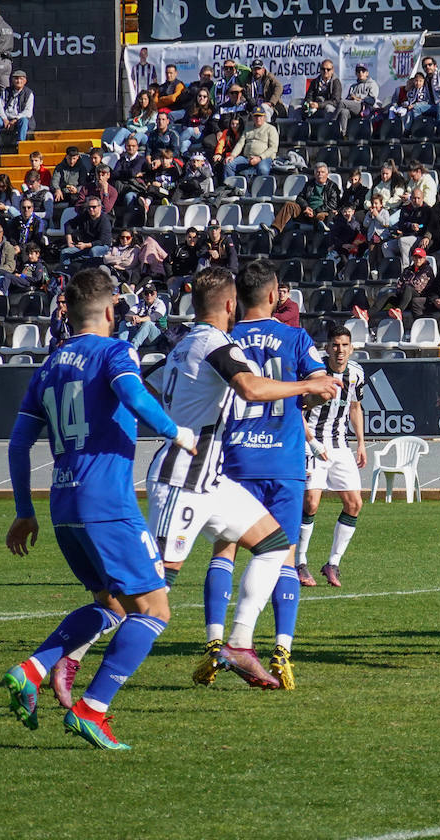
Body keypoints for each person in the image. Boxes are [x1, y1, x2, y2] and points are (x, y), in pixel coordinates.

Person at [0, 268, 197, 750]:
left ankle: (33, 668)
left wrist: (25, 509)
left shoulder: (48, 366)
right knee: (154, 610)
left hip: (63, 503)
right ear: (111, 311)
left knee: (110, 605)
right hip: (107, 502)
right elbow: (131, 394)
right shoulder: (116, 351)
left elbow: (18, 443)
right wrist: (178, 432)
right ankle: (94, 708)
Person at [146, 267, 340, 689]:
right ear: (272, 295)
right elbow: (254, 387)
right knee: (151, 590)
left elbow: (147, 385)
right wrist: (309, 384)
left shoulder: (189, 344)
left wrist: (168, 423)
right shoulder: (242, 341)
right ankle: (62, 656)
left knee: (250, 547)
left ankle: (229, 643)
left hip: (225, 465)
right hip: (222, 469)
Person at [196, 261, 328, 691]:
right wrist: (302, 397)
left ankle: (216, 644)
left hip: (235, 459)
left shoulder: (224, 339)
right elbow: (321, 382)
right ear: (274, 295)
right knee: (283, 554)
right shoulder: (295, 336)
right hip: (284, 462)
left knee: (226, 547)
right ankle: (281, 651)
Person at [298, 326, 367, 588]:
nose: (340, 350)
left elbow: (355, 408)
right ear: (327, 347)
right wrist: (312, 443)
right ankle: (300, 562)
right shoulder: (315, 372)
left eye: (344, 345)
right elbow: (298, 410)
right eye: (335, 345)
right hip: (312, 442)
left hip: (340, 446)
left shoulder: (357, 374)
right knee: (312, 503)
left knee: (354, 504)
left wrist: (361, 443)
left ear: (351, 348)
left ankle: (333, 563)